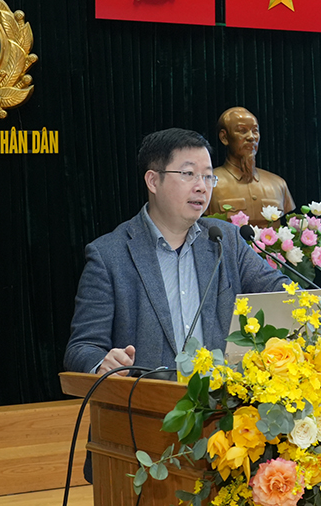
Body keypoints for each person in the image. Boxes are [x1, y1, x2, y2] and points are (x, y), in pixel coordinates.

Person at [64, 128, 299, 377]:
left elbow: (282, 293)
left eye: (208, 177)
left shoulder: (225, 240)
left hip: (223, 397)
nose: (202, 187)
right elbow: (82, 347)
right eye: (189, 174)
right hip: (148, 398)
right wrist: (103, 363)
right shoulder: (109, 255)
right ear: (153, 181)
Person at [207, 107, 296, 228]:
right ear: (224, 138)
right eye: (242, 131)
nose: (251, 137)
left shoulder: (278, 184)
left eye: (255, 131)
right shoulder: (209, 183)